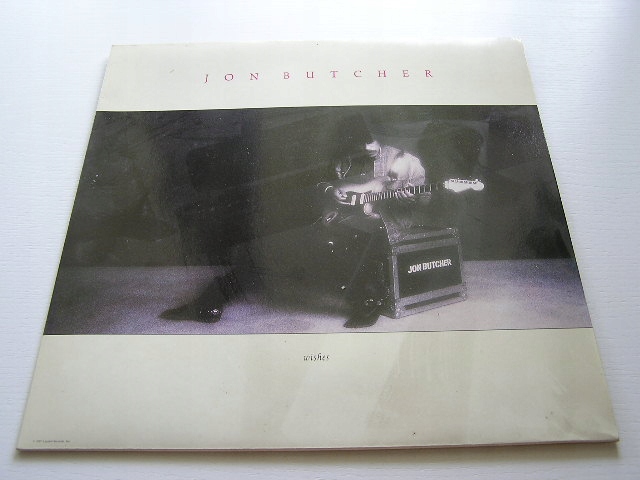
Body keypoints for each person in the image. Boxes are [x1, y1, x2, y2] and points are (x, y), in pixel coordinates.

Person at [318, 140, 432, 327]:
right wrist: (331, 191)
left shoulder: (407, 161)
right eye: (360, 143)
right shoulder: (344, 159)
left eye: (370, 142)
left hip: (390, 220)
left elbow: (425, 199)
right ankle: (355, 289)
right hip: (351, 217)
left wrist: (411, 199)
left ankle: (371, 301)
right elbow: (322, 182)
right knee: (329, 235)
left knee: (363, 236)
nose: (366, 148)